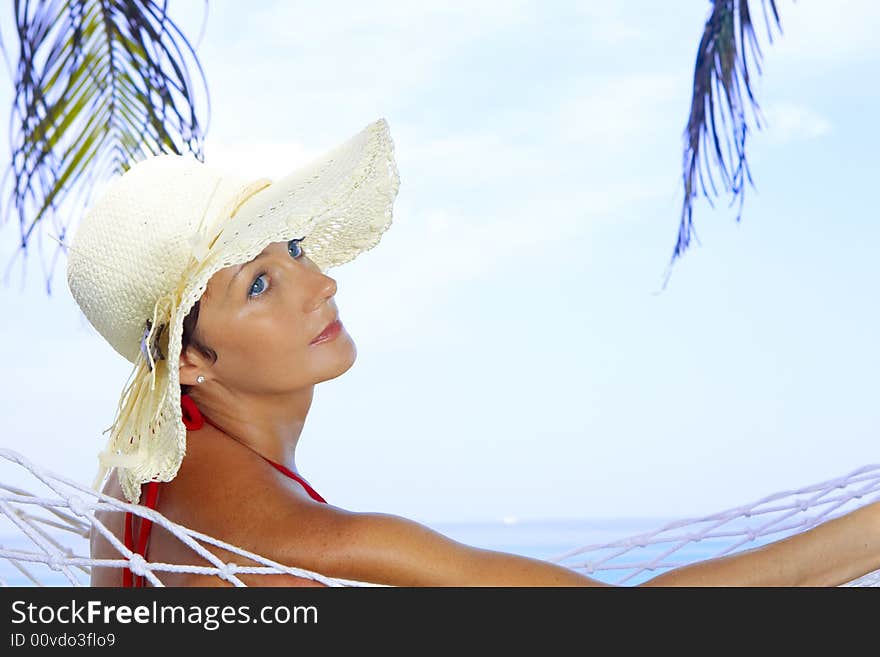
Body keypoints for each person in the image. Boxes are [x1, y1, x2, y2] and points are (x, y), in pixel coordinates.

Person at [69, 119, 880, 587]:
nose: (320, 287)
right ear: (189, 361)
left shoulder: (140, 473)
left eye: (293, 249)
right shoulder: (299, 541)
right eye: (257, 284)